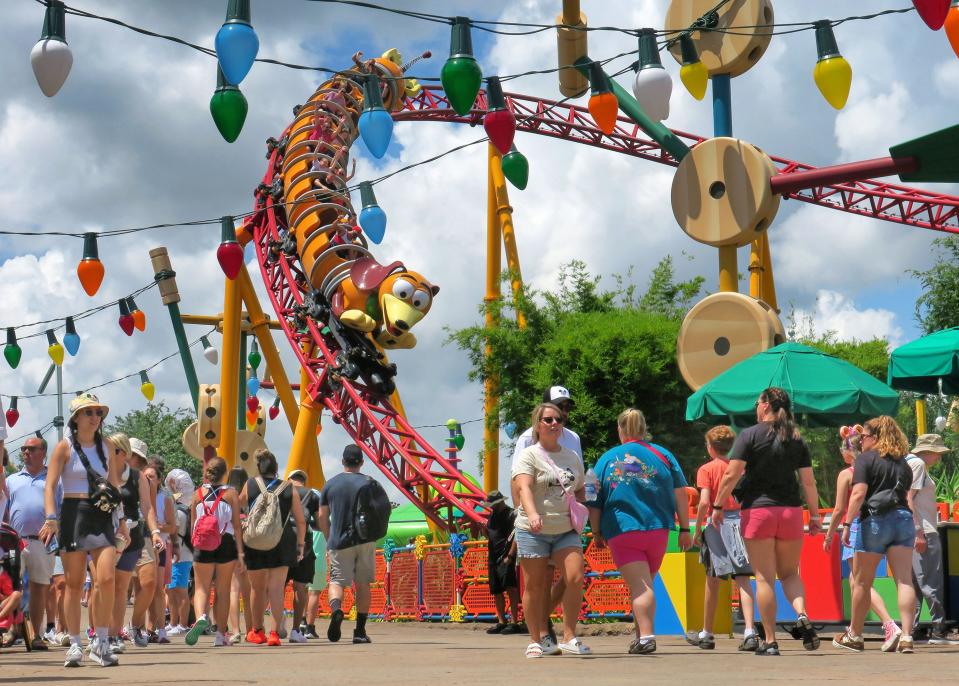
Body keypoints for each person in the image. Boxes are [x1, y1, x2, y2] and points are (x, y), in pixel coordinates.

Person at [711, 387, 822, 657]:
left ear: (765, 405)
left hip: (758, 513)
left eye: (757, 402)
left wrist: (717, 506)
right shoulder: (796, 438)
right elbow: (808, 481)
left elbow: (731, 475)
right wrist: (816, 515)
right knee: (790, 573)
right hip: (791, 513)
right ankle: (802, 613)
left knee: (763, 579)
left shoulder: (749, 435)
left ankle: (771, 640)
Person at [587, 408, 691, 655]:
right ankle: (640, 636)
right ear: (644, 428)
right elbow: (680, 494)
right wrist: (685, 528)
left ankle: (646, 637)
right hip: (658, 530)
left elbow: (592, 498)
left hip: (623, 529)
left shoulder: (606, 459)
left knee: (640, 587)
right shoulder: (664, 455)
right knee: (646, 584)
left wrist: (596, 531)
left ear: (620, 430)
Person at [38, 393, 126, 668]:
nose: (95, 417)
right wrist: (51, 517)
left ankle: (100, 641)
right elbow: (50, 486)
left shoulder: (107, 446)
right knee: (73, 585)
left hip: (101, 515)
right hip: (73, 514)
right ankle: (75, 642)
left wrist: (122, 520)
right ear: (76, 417)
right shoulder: (64, 448)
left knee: (106, 579)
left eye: (98, 412)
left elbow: (114, 485)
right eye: (89, 412)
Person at [834, 416, 918, 654]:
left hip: (875, 520)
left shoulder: (866, 460)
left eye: (864, 436)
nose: (861, 441)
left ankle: (855, 635)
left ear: (875, 437)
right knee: (903, 580)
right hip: (903, 520)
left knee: (861, 581)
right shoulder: (903, 463)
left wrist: (848, 523)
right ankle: (908, 636)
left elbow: (859, 493)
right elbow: (907, 497)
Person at [512, 402, 590, 659]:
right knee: (534, 585)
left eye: (558, 419)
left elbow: (579, 486)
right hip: (533, 529)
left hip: (565, 528)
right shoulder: (529, 455)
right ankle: (536, 639)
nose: (555, 423)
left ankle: (569, 636)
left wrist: (580, 506)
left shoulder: (571, 456)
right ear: (538, 425)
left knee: (576, 576)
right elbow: (523, 487)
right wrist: (532, 513)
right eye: (548, 420)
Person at [822, 425, 900, 651]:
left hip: (855, 526)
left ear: (848, 452)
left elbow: (838, 509)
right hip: (879, 523)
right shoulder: (875, 470)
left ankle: (887, 624)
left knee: (860, 583)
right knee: (864, 582)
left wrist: (829, 535)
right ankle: (857, 631)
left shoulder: (846, 474)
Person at [687, 425, 758, 652]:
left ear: (710, 447)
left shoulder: (706, 469)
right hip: (740, 522)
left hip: (716, 524)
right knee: (744, 578)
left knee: (713, 579)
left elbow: (705, 502)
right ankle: (749, 631)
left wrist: (697, 529)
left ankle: (707, 633)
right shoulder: (740, 468)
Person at [239, 450, 305, 647]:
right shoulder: (288, 488)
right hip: (282, 541)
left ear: (258, 468)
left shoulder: (250, 484)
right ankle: (275, 633)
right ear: (276, 469)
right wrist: (300, 545)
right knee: (276, 589)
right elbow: (300, 521)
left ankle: (257, 631)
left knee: (257, 589)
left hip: (255, 541)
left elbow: (238, 505)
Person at [106, 433, 164, 654]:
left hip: (134, 535)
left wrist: (156, 531)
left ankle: (132, 626)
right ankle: (105, 632)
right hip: (108, 535)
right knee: (107, 586)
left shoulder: (138, 477)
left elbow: (148, 508)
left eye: (139, 458)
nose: (134, 460)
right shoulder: (102, 472)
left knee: (144, 583)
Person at [5, 436, 62, 650]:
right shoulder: (12, 480)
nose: (25, 452)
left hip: (44, 541)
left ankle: (36, 635)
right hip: (16, 542)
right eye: (23, 449)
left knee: (40, 588)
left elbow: (62, 509)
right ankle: (12, 631)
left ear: (43, 452)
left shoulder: (54, 479)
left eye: (31, 449)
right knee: (12, 588)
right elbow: (5, 512)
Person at [318, 445, 379, 645]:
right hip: (365, 540)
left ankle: (337, 610)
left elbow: (322, 516)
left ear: (343, 461)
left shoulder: (331, 485)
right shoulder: (371, 483)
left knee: (337, 581)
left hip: (339, 540)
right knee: (362, 583)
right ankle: (360, 631)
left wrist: (329, 538)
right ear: (361, 462)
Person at [186, 456, 244, 647]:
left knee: (201, 587)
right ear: (225, 473)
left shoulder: (197, 494)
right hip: (225, 542)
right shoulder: (231, 494)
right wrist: (241, 553)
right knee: (223, 590)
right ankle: (221, 634)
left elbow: (193, 523)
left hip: (202, 543)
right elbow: (237, 526)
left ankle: (202, 616)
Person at [907, 433, 958, 643]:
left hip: (909, 532)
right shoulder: (918, 464)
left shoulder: (907, 463)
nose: (938, 458)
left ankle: (913, 627)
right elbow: (909, 498)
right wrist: (919, 529)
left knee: (914, 583)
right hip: (924, 531)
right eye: (937, 453)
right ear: (928, 452)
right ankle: (938, 627)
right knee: (931, 581)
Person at [286, 469, 320, 643]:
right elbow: (319, 523)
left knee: (275, 588)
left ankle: (274, 629)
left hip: (282, 545)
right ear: (303, 481)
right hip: (304, 546)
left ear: (290, 479)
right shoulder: (312, 496)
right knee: (300, 589)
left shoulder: (282, 492)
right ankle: (295, 630)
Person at [483, 490, 522, 635]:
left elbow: (516, 535)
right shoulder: (492, 515)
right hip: (493, 556)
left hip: (506, 555)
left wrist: (510, 556)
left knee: (510, 588)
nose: (491, 507)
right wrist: (484, 531)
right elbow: (493, 535)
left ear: (500, 502)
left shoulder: (511, 514)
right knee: (496, 590)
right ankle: (501, 621)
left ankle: (514, 622)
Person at [165, 468, 195, 637]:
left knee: (180, 590)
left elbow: (173, 529)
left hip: (181, 555)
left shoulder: (180, 511)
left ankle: (182, 624)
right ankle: (174, 622)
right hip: (178, 554)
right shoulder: (184, 508)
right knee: (171, 589)